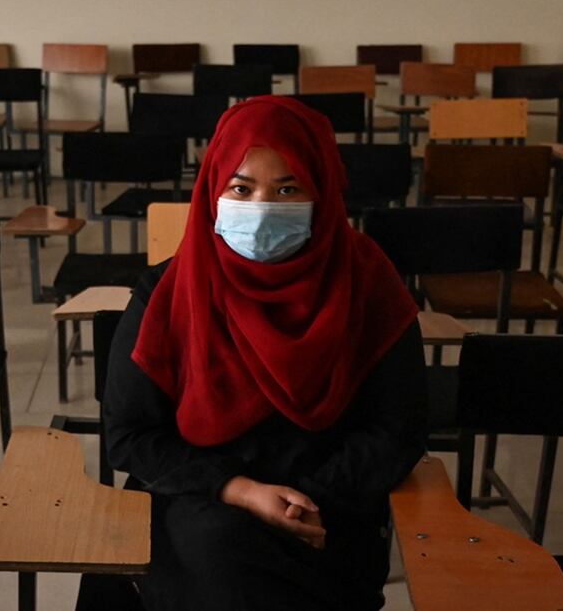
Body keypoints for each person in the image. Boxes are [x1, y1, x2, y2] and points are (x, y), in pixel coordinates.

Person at [100, 95, 427, 610]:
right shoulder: (167, 291)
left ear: (321, 194)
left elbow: (397, 429)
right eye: (241, 187)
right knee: (216, 551)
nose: (259, 208)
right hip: (202, 498)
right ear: (213, 191)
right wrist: (242, 491)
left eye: (287, 189)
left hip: (328, 511)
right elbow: (130, 435)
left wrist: (301, 505)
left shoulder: (369, 286)